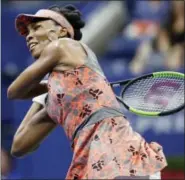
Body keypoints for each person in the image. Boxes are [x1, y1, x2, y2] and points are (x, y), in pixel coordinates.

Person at [8, 4, 167, 179]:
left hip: (120, 158)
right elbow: (19, 146)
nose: (29, 36)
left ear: (61, 31)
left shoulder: (63, 45)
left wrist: (44, 86)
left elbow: (14, 91)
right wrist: (47, 93)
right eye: (28, 32)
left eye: (37, 28)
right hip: (92, 165)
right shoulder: (58, 99)